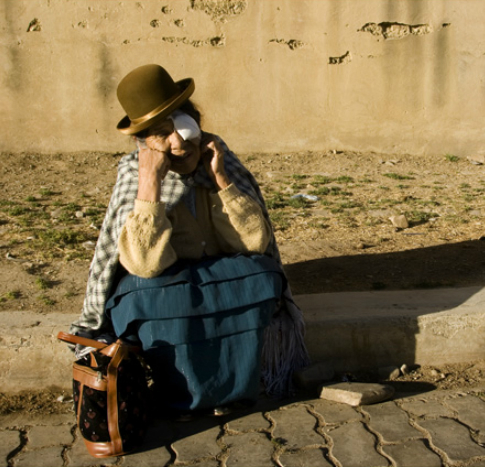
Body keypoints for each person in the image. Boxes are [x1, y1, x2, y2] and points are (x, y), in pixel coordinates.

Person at [70, 64, 309, 413]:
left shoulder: (218, 160)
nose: (178, 142)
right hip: (167, 288)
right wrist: (150, 187)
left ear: (196, 122)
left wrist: (221, 181)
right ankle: (183, 395)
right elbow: (145, 265)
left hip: (220, 279)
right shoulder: (136, 177)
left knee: (262, 277)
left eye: (182, 126)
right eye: (161, 134)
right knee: (155, 300)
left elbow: (255, 244)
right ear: (145, 144)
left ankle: (233, 386)